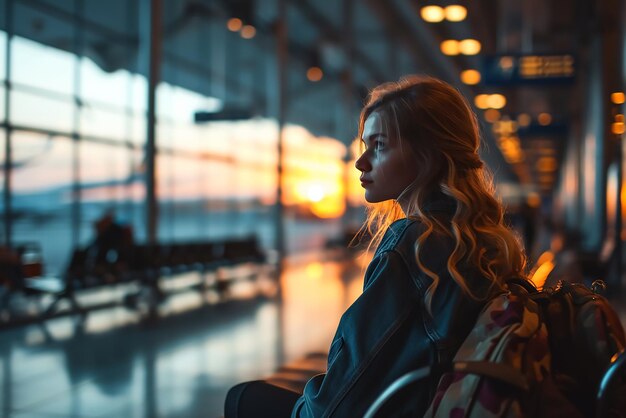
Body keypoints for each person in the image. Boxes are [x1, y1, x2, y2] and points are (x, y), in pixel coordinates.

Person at [224, 75, 527, 417]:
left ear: (428, 153)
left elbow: (346, 387)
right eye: (364, 145)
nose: (361, 162)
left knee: (242, 399)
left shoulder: (415, 243)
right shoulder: (483, 240)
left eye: (379, 145)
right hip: (433, 402)